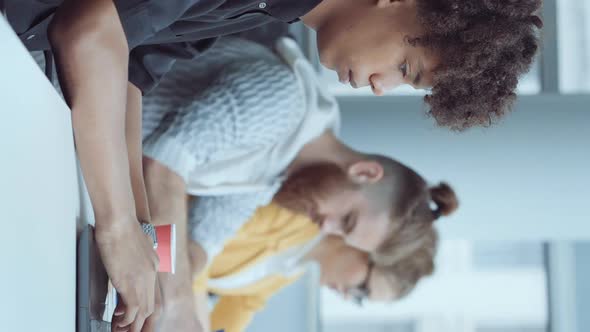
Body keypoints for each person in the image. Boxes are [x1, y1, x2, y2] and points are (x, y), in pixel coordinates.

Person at [5, 0, 531, 328]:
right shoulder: (285, 100)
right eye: (404, 67)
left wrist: (144, 240)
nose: (380, 86)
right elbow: (94, 29)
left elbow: (132, 74)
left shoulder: (271, 12)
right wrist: (124, 231)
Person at [140, 36, 459, 331]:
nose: (325, 226)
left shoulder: (278, 175)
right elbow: (164, 165)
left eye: (340, 231)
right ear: (364, 173)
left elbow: (200, 243)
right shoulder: (282, 103)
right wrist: (177, 300)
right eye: (346, 220)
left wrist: (178, 288)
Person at [186, 203, 438, 332]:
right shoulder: (297, 215)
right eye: (362, 288)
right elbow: (199, 238)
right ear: (370, 247)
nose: (347, 295)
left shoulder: (292, 267)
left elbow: (242, 305)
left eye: (358, 300)